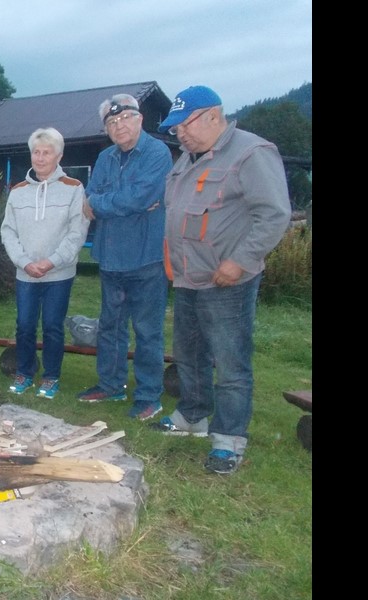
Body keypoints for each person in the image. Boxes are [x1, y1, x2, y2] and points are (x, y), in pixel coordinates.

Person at [151, 85, 291, 474]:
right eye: (174, 127)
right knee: (189, 355)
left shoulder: (250, 152)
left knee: (230, 363)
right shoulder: (186, 160)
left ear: (213, 115)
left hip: (227, 279)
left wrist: (241, 261)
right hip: (187, 277)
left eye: (184, 124)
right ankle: (193, 416)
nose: (179, 133)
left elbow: (275, 214)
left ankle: (229, 439)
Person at [76, 94, 174, 422]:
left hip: (147, 258)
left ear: (140, 118)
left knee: (147, 331)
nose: (119, 126)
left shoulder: (158, 153)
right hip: (110, 257)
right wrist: (114, 202)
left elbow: (139, 197)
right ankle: (111, 384)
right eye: (112, 122)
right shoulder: (105, 157)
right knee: (110, 326)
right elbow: (91, 197)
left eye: (125, 118)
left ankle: (149, 397)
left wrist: (107, 203)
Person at [0, 128, 89, 399]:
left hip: (59, 274)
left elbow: (77, 232)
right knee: (25, 325)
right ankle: (25, 373)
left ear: (58, 155)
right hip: (25, 273)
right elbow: (8, 231)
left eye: (46, 152)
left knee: (52, 326)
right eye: (36, 152)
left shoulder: (74, 189)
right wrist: (24, 262)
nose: (40, 158)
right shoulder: (18, 191)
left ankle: (50, 377)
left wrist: (51, 262)